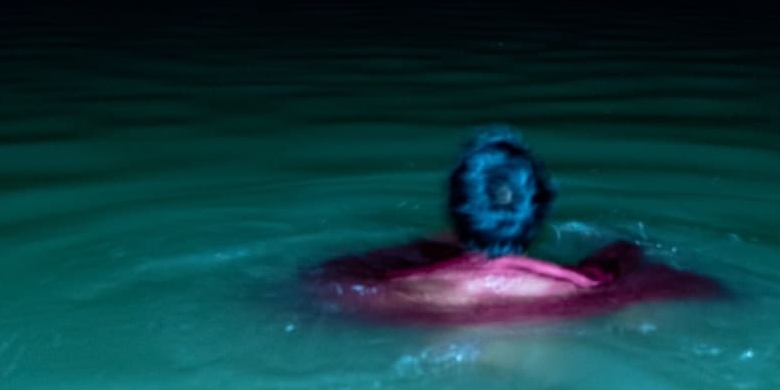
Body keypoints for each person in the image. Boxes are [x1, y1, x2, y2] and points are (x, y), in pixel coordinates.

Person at [310, 126, 726, 325]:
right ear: (539, 211)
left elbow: (317, 282)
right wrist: (628, 249)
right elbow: (711, 292)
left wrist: (423, 247)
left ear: (457, 210)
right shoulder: (592, 290)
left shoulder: (392, 294)